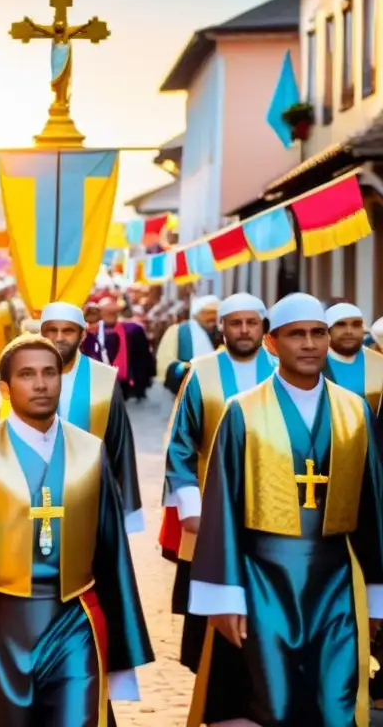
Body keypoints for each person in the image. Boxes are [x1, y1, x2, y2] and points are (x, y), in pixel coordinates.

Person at [0, 335, 154, 726]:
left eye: (49, 373)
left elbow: (113, 555)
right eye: (27, 375)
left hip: (75, 620)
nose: (41, 384)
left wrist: (123, 649)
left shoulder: (91, 452)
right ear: (5, 389)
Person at [186, 293, 383, 727]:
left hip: (335, 582)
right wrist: (224, 595)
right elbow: (222, 506)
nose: (310, 344)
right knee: (270, 706)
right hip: (263, 581)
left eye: (318, 334)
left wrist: (377, 593)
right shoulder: (244, 412)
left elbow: (374, 506)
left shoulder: (355, 412)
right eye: (297, 335)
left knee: (336, 706)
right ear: (272, 343)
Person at [157, 292, 275, 677]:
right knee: (207, 627)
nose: (243, 330)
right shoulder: (201, 372)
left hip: (272, 513)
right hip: (210, 513)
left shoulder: (281, 369)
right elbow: (181, 444)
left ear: (263, 327)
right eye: (235, 323)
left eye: (251, 322)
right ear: (220, 327)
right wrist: (191, 507)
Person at [40, 302, 144, 533]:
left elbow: (120, 444)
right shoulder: (20, 373)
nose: (58, 337)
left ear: (82, 334)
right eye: (51, 330)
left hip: (90, 498)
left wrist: (126, 508)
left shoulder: (103, 378)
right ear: (41, 332)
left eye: (67, 331)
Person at [81, 296, 154, 401]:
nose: (110, 315)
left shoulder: (132, 330)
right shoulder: (91, 332)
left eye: (112, 312)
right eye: (108, 312)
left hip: (122, 380)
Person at [324, 301, 383, 414]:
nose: (349, 331)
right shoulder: (315, 363)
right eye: (341, 325)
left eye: (356, 325)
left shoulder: (379, 363)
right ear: (328, 330)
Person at [154, 294, 218, 395]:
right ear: (197, 314)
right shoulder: (178, 331)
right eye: (208, 314)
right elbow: (165, 361)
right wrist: (183, 367)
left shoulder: (221, 334)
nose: (212, 321)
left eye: (215, 316)